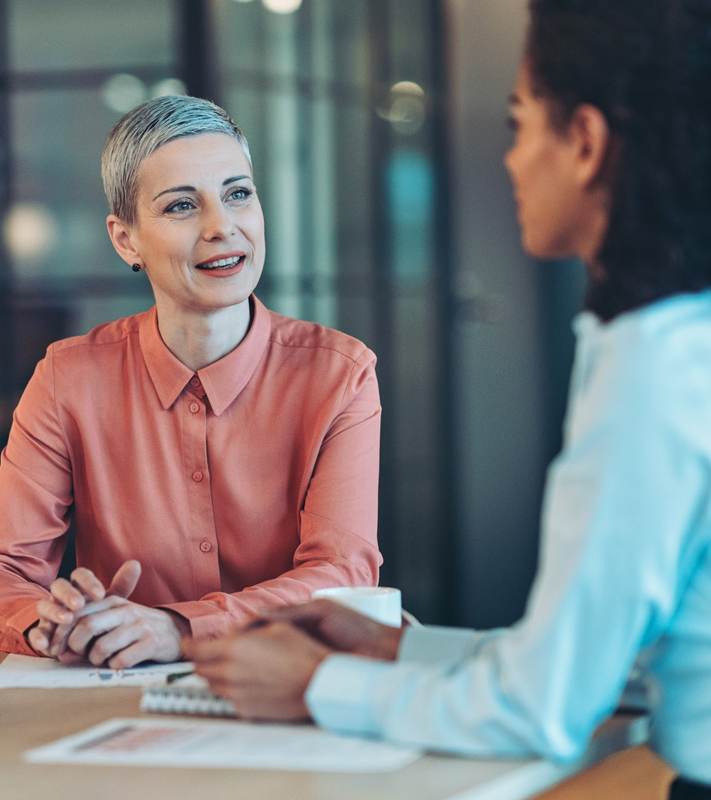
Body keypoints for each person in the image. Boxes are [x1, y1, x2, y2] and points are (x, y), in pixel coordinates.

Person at [184, 0, 711, 794]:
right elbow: (631, 658)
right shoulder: (675, 338)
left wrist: (314, 687)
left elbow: (546, 706)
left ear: (587, 143)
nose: (509, 160)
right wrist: (406, 648)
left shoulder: (654, 369)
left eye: (519, 124)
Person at [0, 94, 382, 669]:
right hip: (112, 702)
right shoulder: (67, 379)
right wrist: (51, 623)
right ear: (126, 239)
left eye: (238, 194)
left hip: (286, 690)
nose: (221, 227)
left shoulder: (339, 375)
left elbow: (343, 574)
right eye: (182, 206)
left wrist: (179, 628)